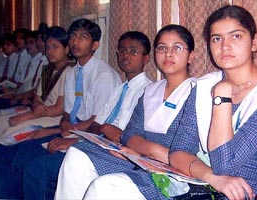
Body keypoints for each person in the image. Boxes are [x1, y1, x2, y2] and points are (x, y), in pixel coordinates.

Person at [54, 24, 196, 200]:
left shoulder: (197, 91)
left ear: (191, 56)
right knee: (77, 155)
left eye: (177, 47)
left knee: (102, 188)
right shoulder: (151, 91)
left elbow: (187, 150)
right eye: (162, 48)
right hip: (138, 159)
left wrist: (145, 151)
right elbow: (130, 134)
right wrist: (137, 151)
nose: (168, 53)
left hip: (171, 174)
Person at [0, 18, 121, 199]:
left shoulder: (103, 75)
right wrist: (57, 128)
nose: (76, 42)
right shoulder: (73, 73)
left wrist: (65, 133)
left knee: (33, 166)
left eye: (83, 37)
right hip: (70, 130)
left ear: (95, 45)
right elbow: (67, 114)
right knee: (15, 151)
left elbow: (96, 122)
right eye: (73, 36)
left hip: (89, 136)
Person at [23, 30, 153, 200]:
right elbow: (96, 125)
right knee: (33, 155)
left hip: (118, 154)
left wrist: (77, 140)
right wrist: (78, 138)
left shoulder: (149, 92)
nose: (126, 55)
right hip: (94, 142)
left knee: (37, 168)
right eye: (122, 50)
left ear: (146, 58)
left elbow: (123, 135)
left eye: (133, 51)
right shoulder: (119, 90)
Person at [167, 5, 257, 200]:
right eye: (217, 38)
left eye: (236, 36)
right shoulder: (202, 87)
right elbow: (177, 153)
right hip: (196, 188)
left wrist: (222, 95)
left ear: (254, 42)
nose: (225, 46)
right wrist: (211, 177)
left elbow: (225, 165)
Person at [0, 26, 74, 141]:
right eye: (48, 48)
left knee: (9, 131)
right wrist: (36, 105)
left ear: (66, 49)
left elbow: (59, 109)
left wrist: (26, 116)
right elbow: (37, 97)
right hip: (39, 111)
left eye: (55, 47)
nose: (50, 52)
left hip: (54, 118)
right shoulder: (47, 69)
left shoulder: (69, 71)